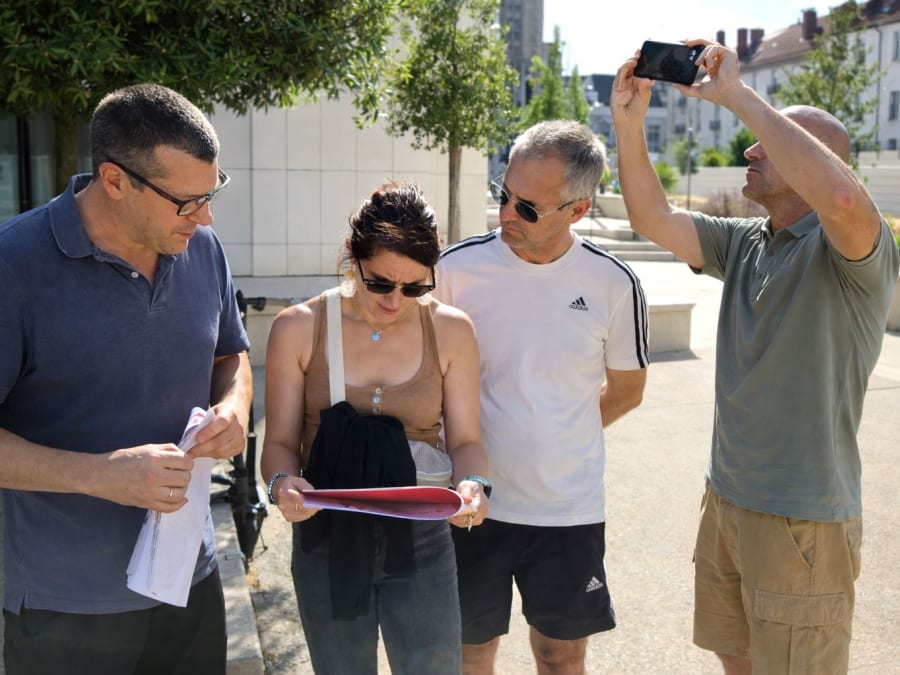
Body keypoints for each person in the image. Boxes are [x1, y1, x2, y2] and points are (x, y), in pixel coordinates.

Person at [611, 40, 899, 674]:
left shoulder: (855, 250)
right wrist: (628, 124)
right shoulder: (748, 241)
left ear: (810, 159)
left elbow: (842, 200)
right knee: (735, 656)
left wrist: (737, 95)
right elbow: (653, 217)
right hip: (727, 499)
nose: (749, 149)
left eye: (768, 142)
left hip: (801, 520)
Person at [0, 83, 252, 673]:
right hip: (64, 604)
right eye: (186, 201)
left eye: (211, 193)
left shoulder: (203, 248)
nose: (206, 216)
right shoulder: (13, 266)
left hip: (188, 581)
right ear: (114, 180)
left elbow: (230, 356)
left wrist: (235, 408)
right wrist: (99, 475)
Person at [436, 119, 650, 675]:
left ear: (578, 210)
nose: (507, 213)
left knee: (560, 656)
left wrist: (559, 434)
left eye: (528, 208)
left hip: (567, 510)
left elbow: (627, 390)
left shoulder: (613, 283)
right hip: (470, 503)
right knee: (469, 653)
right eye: (503, 194)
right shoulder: (454, 271)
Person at [261, 180, 489, 675]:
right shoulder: (299, 327)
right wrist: (281, 484)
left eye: (416, 287)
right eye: (381, 283)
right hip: (328, 536)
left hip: (421, 535)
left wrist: (475, 485)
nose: (395, 300)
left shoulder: (451, 330)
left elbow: (466, 440)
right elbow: (278, 442)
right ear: (353, 259)